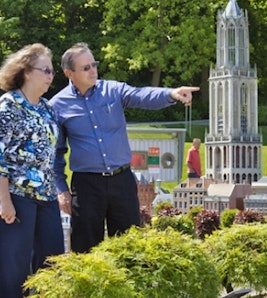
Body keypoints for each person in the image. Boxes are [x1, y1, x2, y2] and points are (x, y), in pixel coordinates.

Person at [51, 42, 199, 252]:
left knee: (129, 248)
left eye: (94, 64)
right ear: (69, 73)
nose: (93, 71)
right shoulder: (57, 106)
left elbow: (141, 95)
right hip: (86, 186)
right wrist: (61, 190)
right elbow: (55, 154)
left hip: (122, 181)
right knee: (85, 250)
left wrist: (171, 94)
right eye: (86, 68)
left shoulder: (112, 90)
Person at [0, 43, 64, 298]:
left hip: (45, 194)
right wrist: (4, 200)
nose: (50, 77)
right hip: (14, 194)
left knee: (52, 259)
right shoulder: (7, 106)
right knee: (13, 263)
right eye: (46, 71)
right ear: (27, 72)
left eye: (52, 72)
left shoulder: (46, 108)